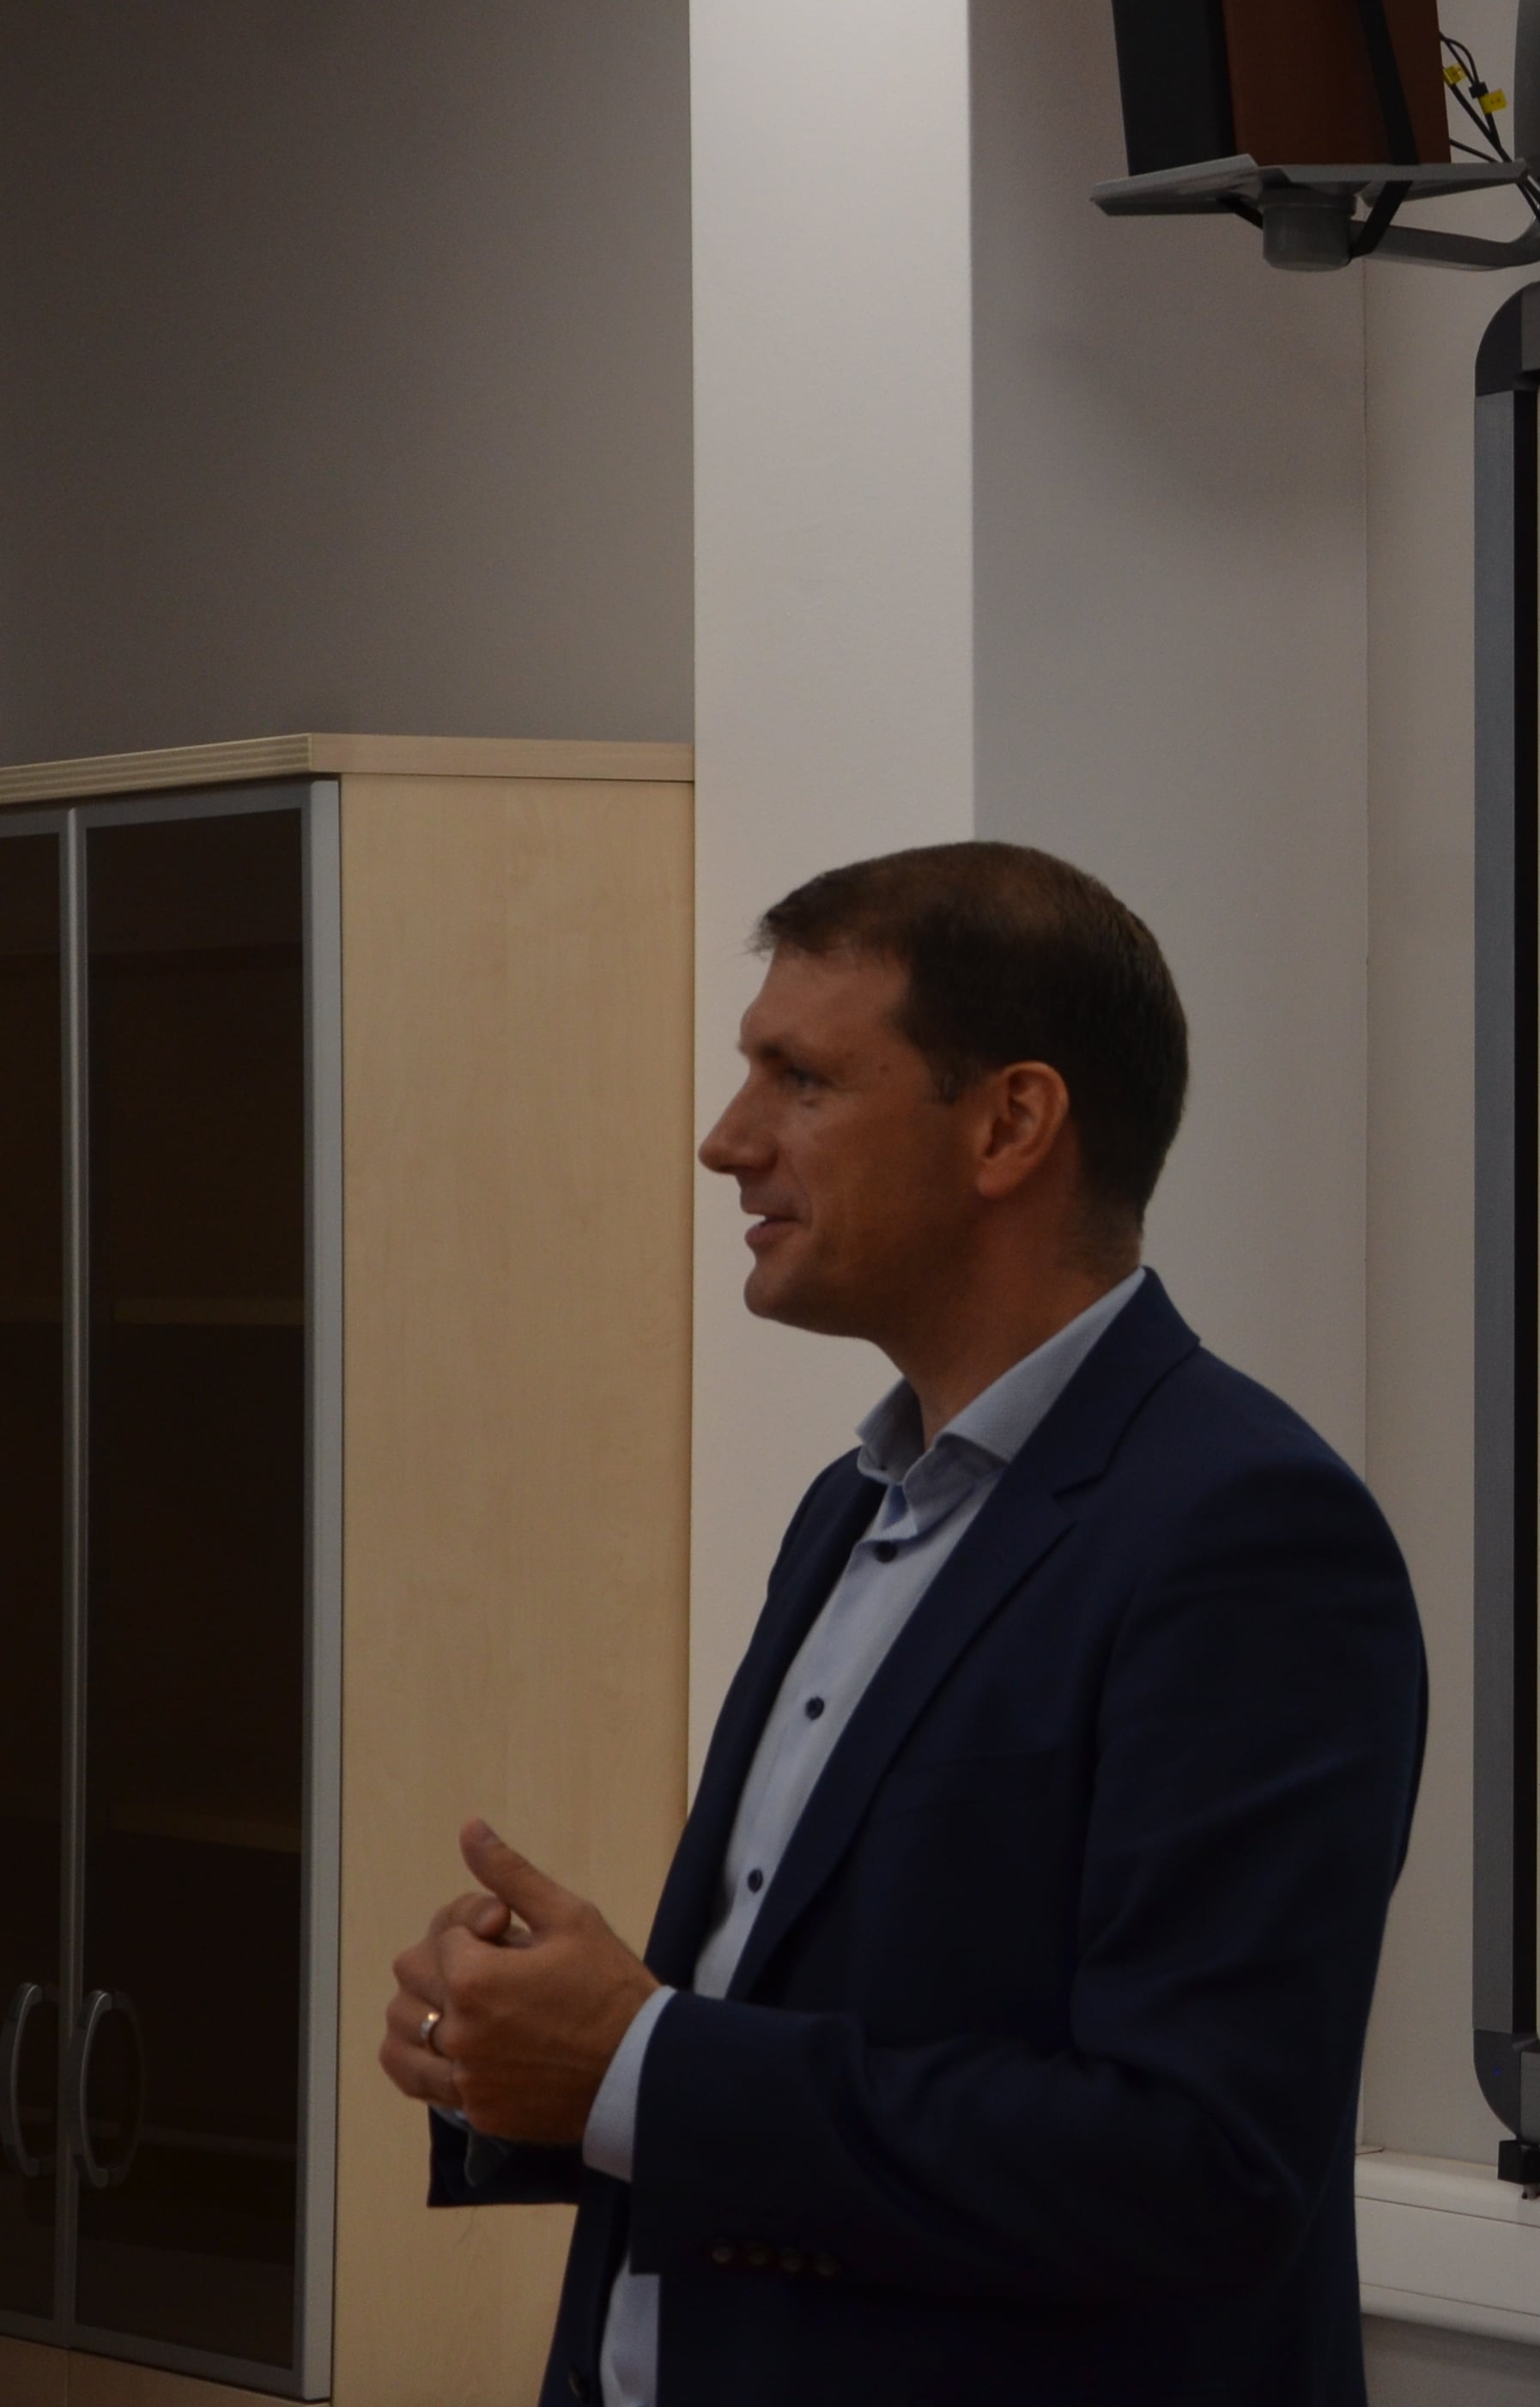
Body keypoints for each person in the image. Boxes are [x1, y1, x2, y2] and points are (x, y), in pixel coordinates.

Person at [376, 843, 1425, 2406]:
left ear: (1010, 1124)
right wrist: (532, 2070)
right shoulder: (849, 1507)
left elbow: (1196, 2161)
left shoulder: (1247, 1535)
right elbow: (797, 2046)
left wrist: (639, 2064)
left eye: (799, 1080)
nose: (728, 1142)